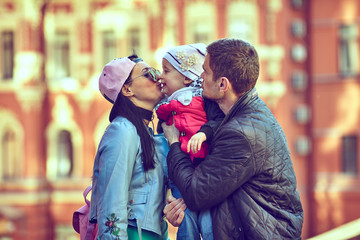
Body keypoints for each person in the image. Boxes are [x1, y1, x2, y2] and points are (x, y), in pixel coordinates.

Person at [162, 38, 304, 240]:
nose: (200, 76)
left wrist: (174, 141)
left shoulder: (240, 133)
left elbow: (195, 193)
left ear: (222, 84)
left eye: (206, 71)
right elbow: (209, 187)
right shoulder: (248, 114)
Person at [88, 55, 170, 240]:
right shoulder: (122, 130)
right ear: (127, 89)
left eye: (156, 71)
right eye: (148, 74)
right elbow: (112, 201)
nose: (158, 77)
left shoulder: (147, 132)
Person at [156, 43, 224, 240]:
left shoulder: (203, 100)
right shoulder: (165, 105)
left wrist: (203, 134)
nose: (161, 76)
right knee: (186, 224)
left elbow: (217, 122)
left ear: (187, 77)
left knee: (207, 223)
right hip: (179, 175)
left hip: (202, 172)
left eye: (166, 71)